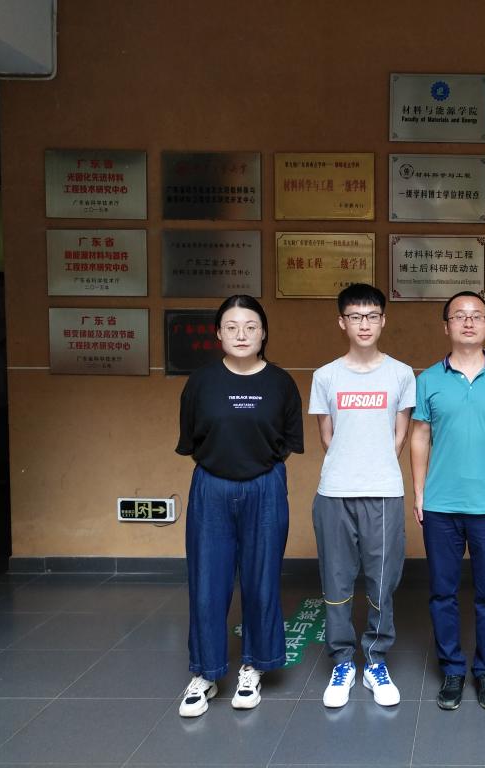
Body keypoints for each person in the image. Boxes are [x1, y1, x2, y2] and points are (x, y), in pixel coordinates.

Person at [175, 295, 303, 717]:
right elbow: (191, 439)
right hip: (211, 487)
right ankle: (206, 672)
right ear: (218, 333)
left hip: (265, 487)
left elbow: (287, 440)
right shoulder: (201, 382)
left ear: (264, 333)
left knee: (261, 580)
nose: (241, 334)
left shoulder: (281, 383)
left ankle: (254, 666)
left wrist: (257, 469)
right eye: (231, 327)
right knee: (207, 582)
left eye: (250, 326)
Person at [410, 291, 485, 711]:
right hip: (440, 505)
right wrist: (419, 490)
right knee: (443, 592)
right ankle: (453, 669)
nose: (468, 322)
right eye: (459, 315)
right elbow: (419, 436)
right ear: (446, 327)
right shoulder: (428, 379)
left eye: (476, 315)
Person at [308, 283, 415, 708]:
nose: (364, 324)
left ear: (383, 320)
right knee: (336, 582)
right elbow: (327, 436)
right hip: (334, 492)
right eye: (355, 317)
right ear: (342, 322)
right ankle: (342, 662)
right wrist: (350, 467)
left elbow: (400, 434)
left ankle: (374, 659)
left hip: (384, 492)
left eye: (371, 316)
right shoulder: (325, 376)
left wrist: (375, 465)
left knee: (382, 581)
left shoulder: (401, 374)